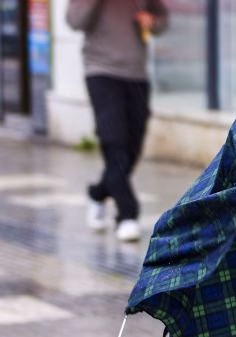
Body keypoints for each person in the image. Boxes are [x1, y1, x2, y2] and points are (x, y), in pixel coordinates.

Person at [66, 0, 168, 242]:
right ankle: (127, 214)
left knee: (132, 148)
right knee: (114, 141)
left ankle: (98, 193)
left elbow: (161, 19)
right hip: (101, 72)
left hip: (136, 74)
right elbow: (75, 21)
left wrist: (152, 22)